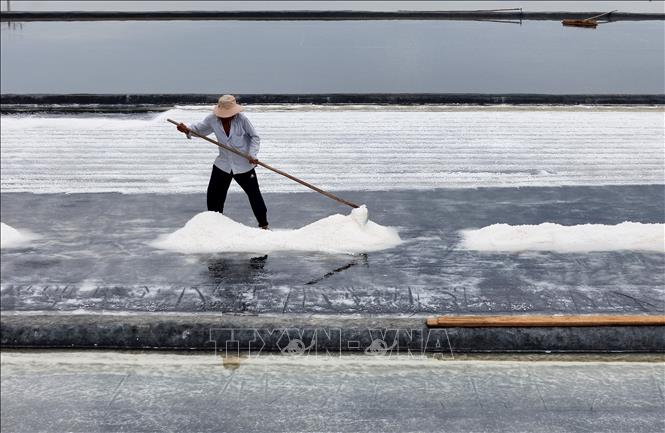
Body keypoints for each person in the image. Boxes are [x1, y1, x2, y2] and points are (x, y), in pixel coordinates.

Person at [176, 95, 269, 230]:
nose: (225, 116)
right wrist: (186, 129)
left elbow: (255, 137)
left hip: (243, 165)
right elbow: (200, 130)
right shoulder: (212, 119)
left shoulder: (242, 120)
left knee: (254, 196)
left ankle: (264, 226)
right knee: (213, 196)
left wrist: (252, 155)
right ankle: (215, 227)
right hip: (223, 164)